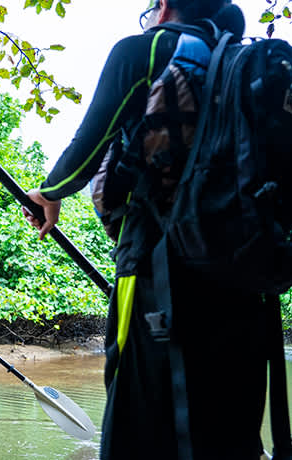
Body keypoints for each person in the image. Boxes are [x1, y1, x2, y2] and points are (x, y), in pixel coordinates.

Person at [23, 2, 274, 459]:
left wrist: (52, 192)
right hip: (247, 275)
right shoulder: (249, 67)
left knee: (137, 412)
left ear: (163, 7)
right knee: (227, 420)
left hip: (157, 265)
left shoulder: (147, 49)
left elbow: (91, 140)